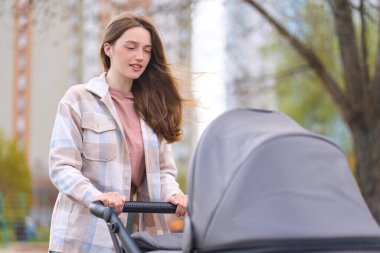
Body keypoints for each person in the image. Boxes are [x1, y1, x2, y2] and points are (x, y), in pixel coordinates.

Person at [48, 12, 188, 253]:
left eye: (146, 50)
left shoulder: (153, 109)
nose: (139, 56)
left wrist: (174, 195)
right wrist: (96, 197)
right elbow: (61, 167)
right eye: (131, 47)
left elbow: (163, 171)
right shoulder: (78, 99)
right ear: (108, 49)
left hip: (128, 241)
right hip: (80, 241)